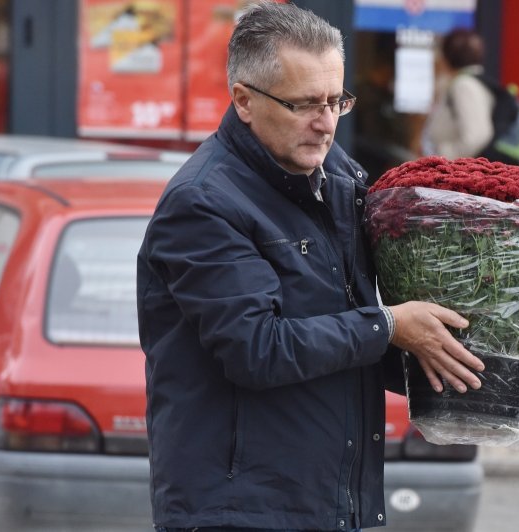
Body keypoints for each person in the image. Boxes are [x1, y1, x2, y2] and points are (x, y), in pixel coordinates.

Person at [136, 3, 484, 531]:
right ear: (244, 100)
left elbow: (352, 330)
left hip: (330, 503)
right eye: (303, 105)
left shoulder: (340, 176)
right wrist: (390, 325)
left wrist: (454, 348)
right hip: (238, 512)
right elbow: (257, 350)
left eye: (335, 101)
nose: (326, 125)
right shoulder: (203, 203)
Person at [422, 28, 495, 159]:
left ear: (447, 57)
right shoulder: (469, 82)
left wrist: (443, 158)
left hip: (462, 174)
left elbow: (477, 136)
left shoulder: (464, 85)